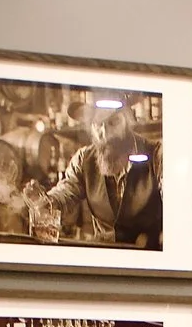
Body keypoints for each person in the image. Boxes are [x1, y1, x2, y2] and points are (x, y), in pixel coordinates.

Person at [28, 101, 162, 248]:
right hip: (103, 257)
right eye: (97, 124)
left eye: (113, 122)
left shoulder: (156, 155)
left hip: (148, 261)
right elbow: (65, 193)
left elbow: (177, 207)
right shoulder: (84, 159)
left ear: (128, 121)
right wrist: (46, 201)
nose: (105, 133)